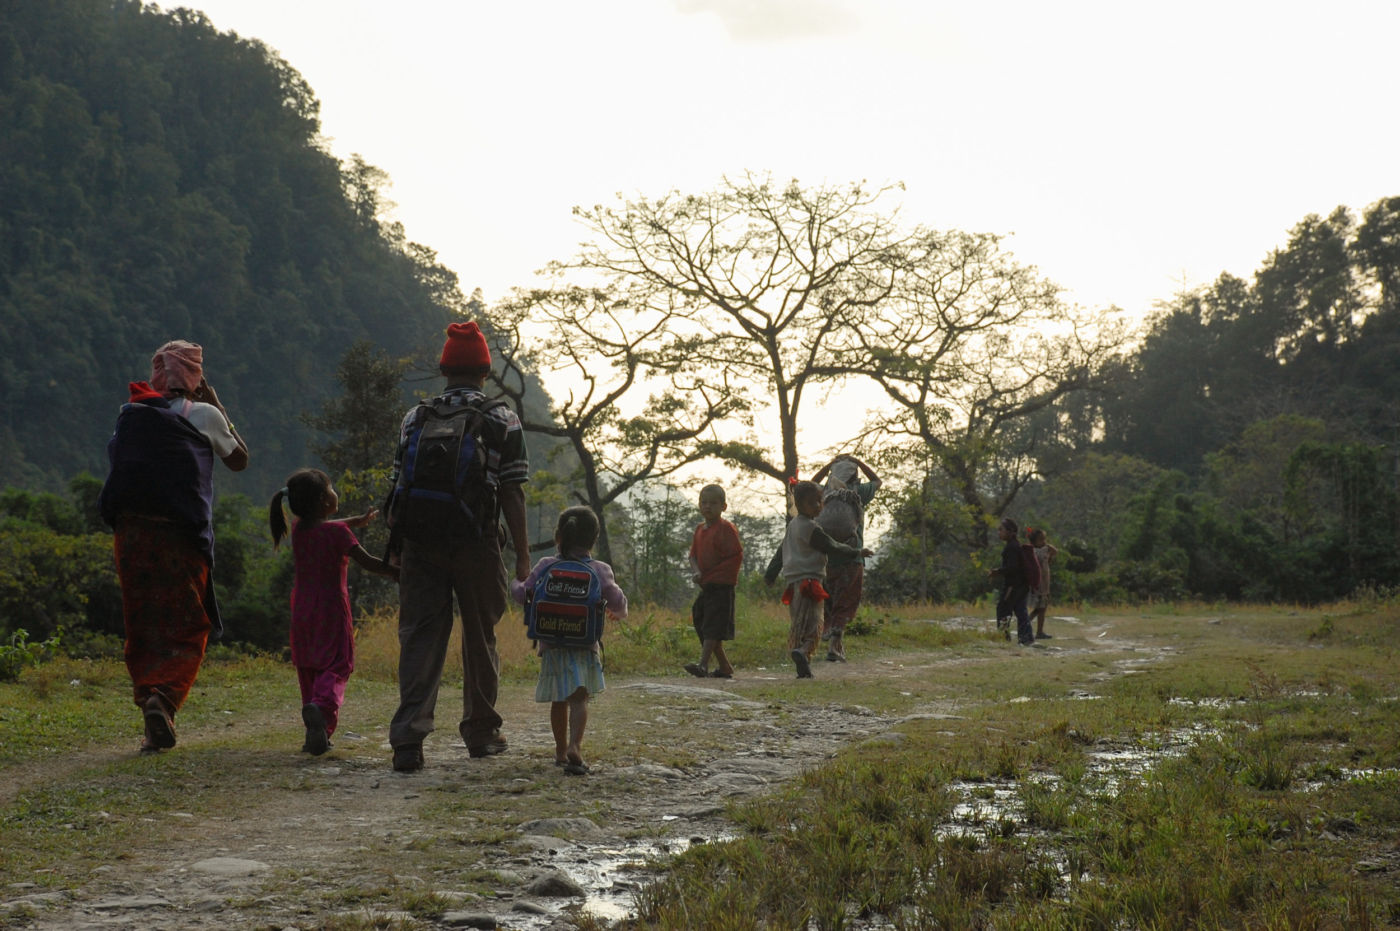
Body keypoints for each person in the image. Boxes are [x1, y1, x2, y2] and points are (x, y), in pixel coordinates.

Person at [386, 321, 531, 774]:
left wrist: (396, 546)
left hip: (420, 542)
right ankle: (482, 732)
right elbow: (511, 492)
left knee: (420, 637)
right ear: (484, 371)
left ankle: (409, 740)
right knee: (479, 635)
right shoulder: (501, 418)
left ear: (445, 368)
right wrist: (523, 555)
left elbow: (399, 485)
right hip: (476, 542)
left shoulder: (416, 417)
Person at [98, 340, 249, 753]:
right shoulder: (203, 413)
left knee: (142, 625)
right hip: (179, 537)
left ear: (156, 375)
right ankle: (163, 700)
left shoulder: (131, 413)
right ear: (195, 378)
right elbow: (239, 459)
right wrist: (218, 405)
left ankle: (150, 706)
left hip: (129, 536)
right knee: (188, 624)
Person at [270, 469, 398, 756]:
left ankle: (314, 731)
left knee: (309, 668)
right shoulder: (338, 533)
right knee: (338, 664)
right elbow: (370, 562)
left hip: (302, 610)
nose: (334, 493)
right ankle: (323, 709)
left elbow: (328, 527)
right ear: (322, 501)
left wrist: (356, 521)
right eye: (331, 488)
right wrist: (399, 573)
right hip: (331, 609)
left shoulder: (300, 529)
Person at [511, 506, 627, 776]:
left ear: (558, 538)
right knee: (579, 698)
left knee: (558, 700)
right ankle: (576, 745)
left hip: (552, 646)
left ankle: (560, 750)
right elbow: (618, 601)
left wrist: (516, 583)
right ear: (594, 540)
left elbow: (522, 594)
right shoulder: (600, 570)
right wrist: (618, 612)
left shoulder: (546, 565)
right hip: (585, 647)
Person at [764, 480, 872, 678]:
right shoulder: (811, 528)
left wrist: (771, 574)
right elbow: (832, 546)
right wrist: (857, 551)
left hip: (792, 583)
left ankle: (803, 662)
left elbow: (781, 552)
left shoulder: (793, 526)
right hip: (811, 582)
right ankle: (804, 652)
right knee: (816, 623)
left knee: (799, 622)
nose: (819, 506)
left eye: (819, 502)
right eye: (813, 503)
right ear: (800, 505)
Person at [810, 455, 881, 662]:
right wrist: (859, 462)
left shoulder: (824, 492)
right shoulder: (858, 492)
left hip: (826, 559)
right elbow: (878, 481)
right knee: (847, 601)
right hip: (853, 557)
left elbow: (812, 481)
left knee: (829, 600)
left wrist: (828, 465)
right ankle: (835, 643)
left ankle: (828, 631)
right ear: (854, 475)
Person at [683, 484, 742, 679]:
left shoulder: (726, 529)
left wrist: (716, 575)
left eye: (713, 503)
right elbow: (692, 556)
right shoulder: (700, 530)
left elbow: (735, 556)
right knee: (701, 620)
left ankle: (703, 664)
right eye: (704, 502)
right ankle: (725, 667)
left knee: (712, 626)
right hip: (706, 585)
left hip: (722, 586)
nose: (708, 507)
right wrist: (697, 572)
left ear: (723, 507)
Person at [988, 517, 1034, 646]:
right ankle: (1026, 638)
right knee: (1020, 610)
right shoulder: (1014, 545)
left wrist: (997, 571)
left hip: (1013, 586)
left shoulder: (1012, 547)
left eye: (1001, 530)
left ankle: (1004, 637)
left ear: (1010, 532)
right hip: (1021, 585)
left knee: (1003, 608)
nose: (999, 532)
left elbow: (1012, 568)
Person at [1027, 527, 1059, 640]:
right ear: (1034, 541)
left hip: (1044, 584)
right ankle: (1032, 627)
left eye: (1044, 539)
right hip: (1040, 584)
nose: (1044, 542)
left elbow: (1054, 553)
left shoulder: (1039, 550)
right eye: (1041, 539)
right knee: (1041, 607)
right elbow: (1055, 551)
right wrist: (1049, 548)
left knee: (1042, 608)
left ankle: (1030, 625)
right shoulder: (1038, 551)